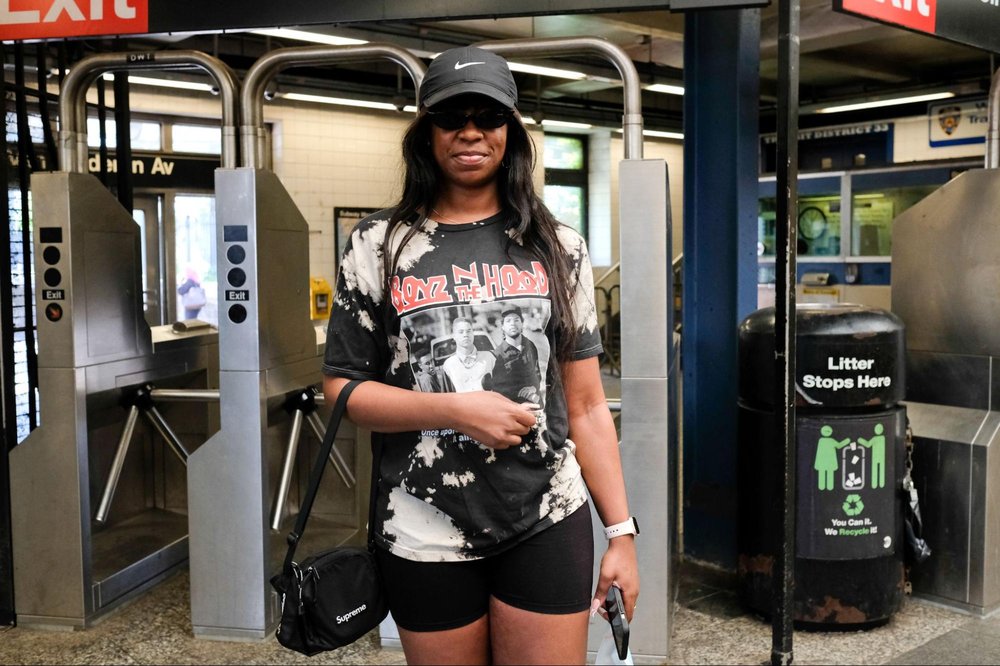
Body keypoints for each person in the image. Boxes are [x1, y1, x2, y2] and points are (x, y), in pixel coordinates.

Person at [322, 45, 637, 665]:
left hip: (545, 512)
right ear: (426, 134)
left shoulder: (558, 246)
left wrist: (622, 534)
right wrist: (458, 411)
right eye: (450, 117)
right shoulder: (378, 246)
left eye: (488, 116)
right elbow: (344, 392)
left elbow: (587, 405)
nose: (470, 132)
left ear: (511, 133)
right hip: (421, 522)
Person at [491, 304, 543, 406]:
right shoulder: (497, 354)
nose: (513, 324)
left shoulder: (530, 346)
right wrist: (520, 393)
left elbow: (537, 373)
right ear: (503, 326)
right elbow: (499, 388)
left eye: (516, 320)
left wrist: (533, 387)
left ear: (522, 323)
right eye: (508, 321)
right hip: (512, 406)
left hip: (535, 401)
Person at [440, 317, 496, 392]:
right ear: (454, 336)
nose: (465, 335)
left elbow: (501, 389)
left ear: (473, 333)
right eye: (461, 332)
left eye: (469, 331)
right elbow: (447, 398)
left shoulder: (489, 358)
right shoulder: (448, 365)